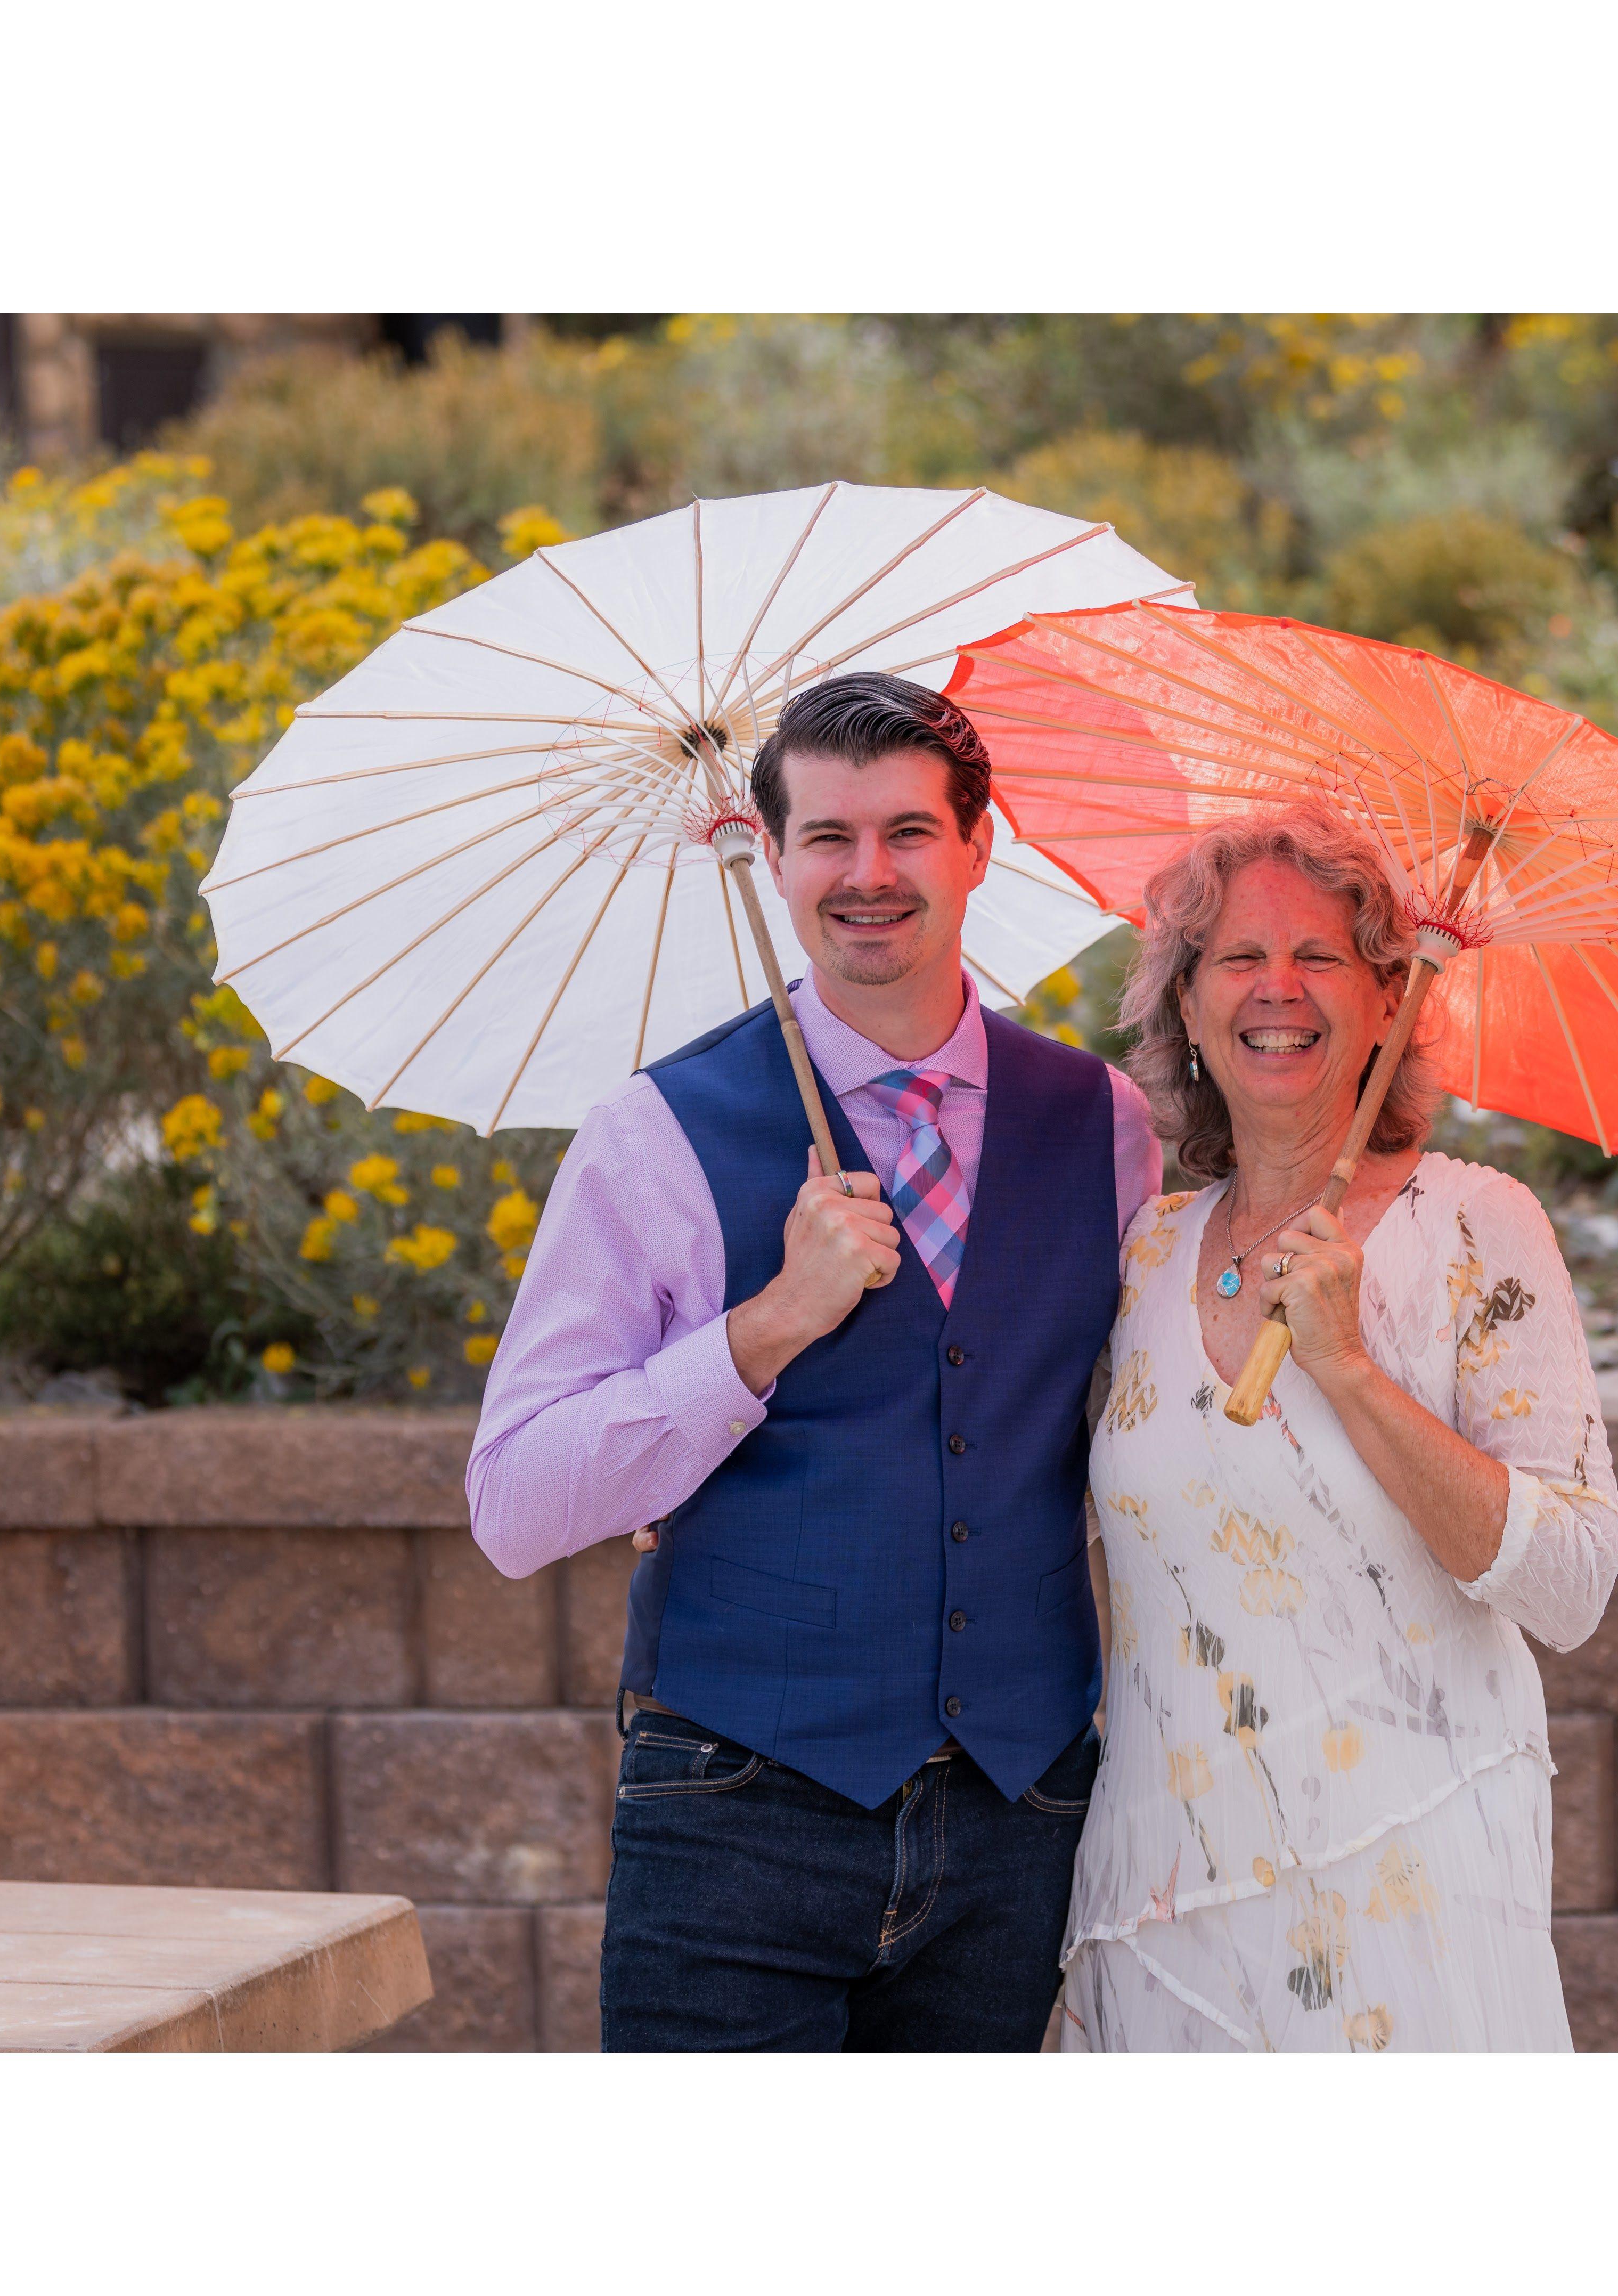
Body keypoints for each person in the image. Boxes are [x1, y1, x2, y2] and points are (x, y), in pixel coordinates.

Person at [467, 673, 1162, 2051]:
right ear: (770, 855)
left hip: (1019, 1812)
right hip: (739, 1807)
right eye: (828, 837)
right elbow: (514, 1503)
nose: (868, 875)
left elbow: (1129, 1431)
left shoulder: (1105, 1123)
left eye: (908, 832)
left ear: (977, 845)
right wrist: (768, 1324)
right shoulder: (653, 1133)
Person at [1052, 803, 1618, 2052]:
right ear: (1186, 1004)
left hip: (1405, 1887)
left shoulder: (1474, 1226)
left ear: (1387, 1005)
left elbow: (1572, 1583)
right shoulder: (1146, 1249)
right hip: (1166, 1893)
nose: (1279, 989)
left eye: (1320, 956)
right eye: (1237, 958)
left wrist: (1349, 1368)